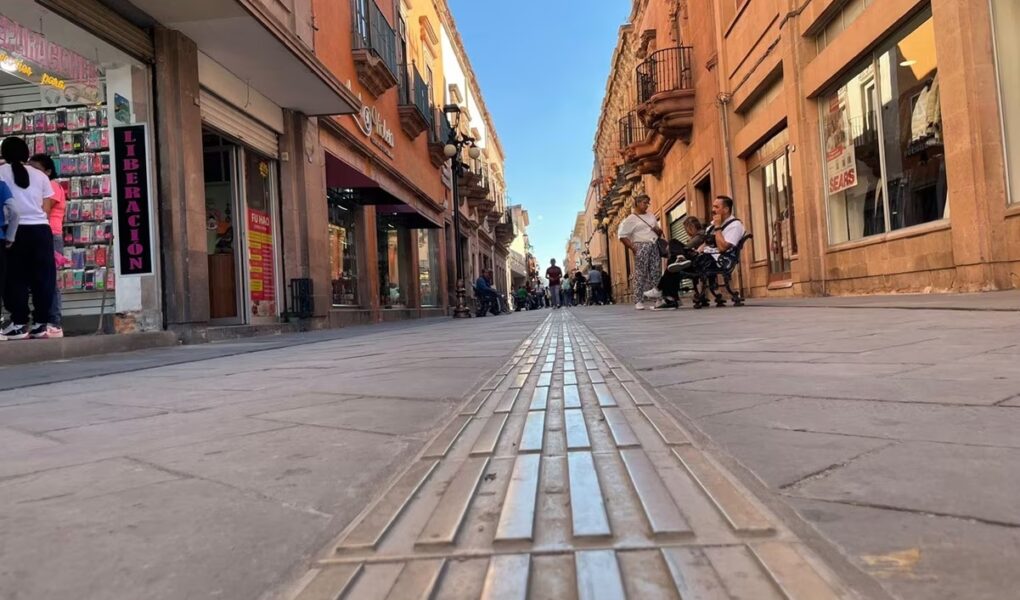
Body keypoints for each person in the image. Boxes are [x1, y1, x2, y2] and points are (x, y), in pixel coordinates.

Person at [0, 137, 59, 340]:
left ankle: (18, 323)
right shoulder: (40, 176)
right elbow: (46, 207)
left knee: (15, 278)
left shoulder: (1, 172)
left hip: (14, 230)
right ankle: (41, 323)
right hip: (41, 230)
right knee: (43, 278)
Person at [29, 154, 65, 331]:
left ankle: (53, 321)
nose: (31, 172)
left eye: (36, 169)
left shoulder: (52, 186)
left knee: (50, 279)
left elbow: (45, 210)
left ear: (48, 171)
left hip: (50, 234)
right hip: (43, 234)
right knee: (40, 278)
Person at [645, 216, 706, 310]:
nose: (687, 232)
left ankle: (662, 292)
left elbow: (687, 247)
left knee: (673, 242)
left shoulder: (700, 235)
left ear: (691, 227)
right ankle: (671, 298)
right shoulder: (699, 236)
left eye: (686, 229)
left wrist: (672, 248)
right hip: (694, 261)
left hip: (696, 262)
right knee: (674, 265)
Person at [617, 195, 662, 310]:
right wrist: (633, 248)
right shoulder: (631, 219)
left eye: (648, 203)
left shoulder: (651, 215)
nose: (647, 205)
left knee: (656, 271)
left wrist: (658, 230)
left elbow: (659, 231)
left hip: (654, 244)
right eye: (644, 202)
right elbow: (622, 236)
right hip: (640, 245)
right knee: (641, 273)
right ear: (637, 203)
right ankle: (638, 300)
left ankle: (658, 299)